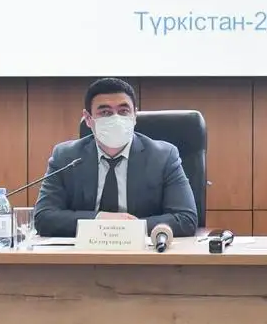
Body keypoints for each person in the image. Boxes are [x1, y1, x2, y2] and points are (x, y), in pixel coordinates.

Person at [34, 78, 198, 237]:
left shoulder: (163, 156)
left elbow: (185, 218)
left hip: (143, 252)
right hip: (84, 252)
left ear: (134, 115)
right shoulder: (66, 157)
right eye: (105, 112)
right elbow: (44, 217)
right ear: (89, 119)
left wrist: (128, 228)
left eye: (123, 111)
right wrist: (99, 220)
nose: (116, 119)